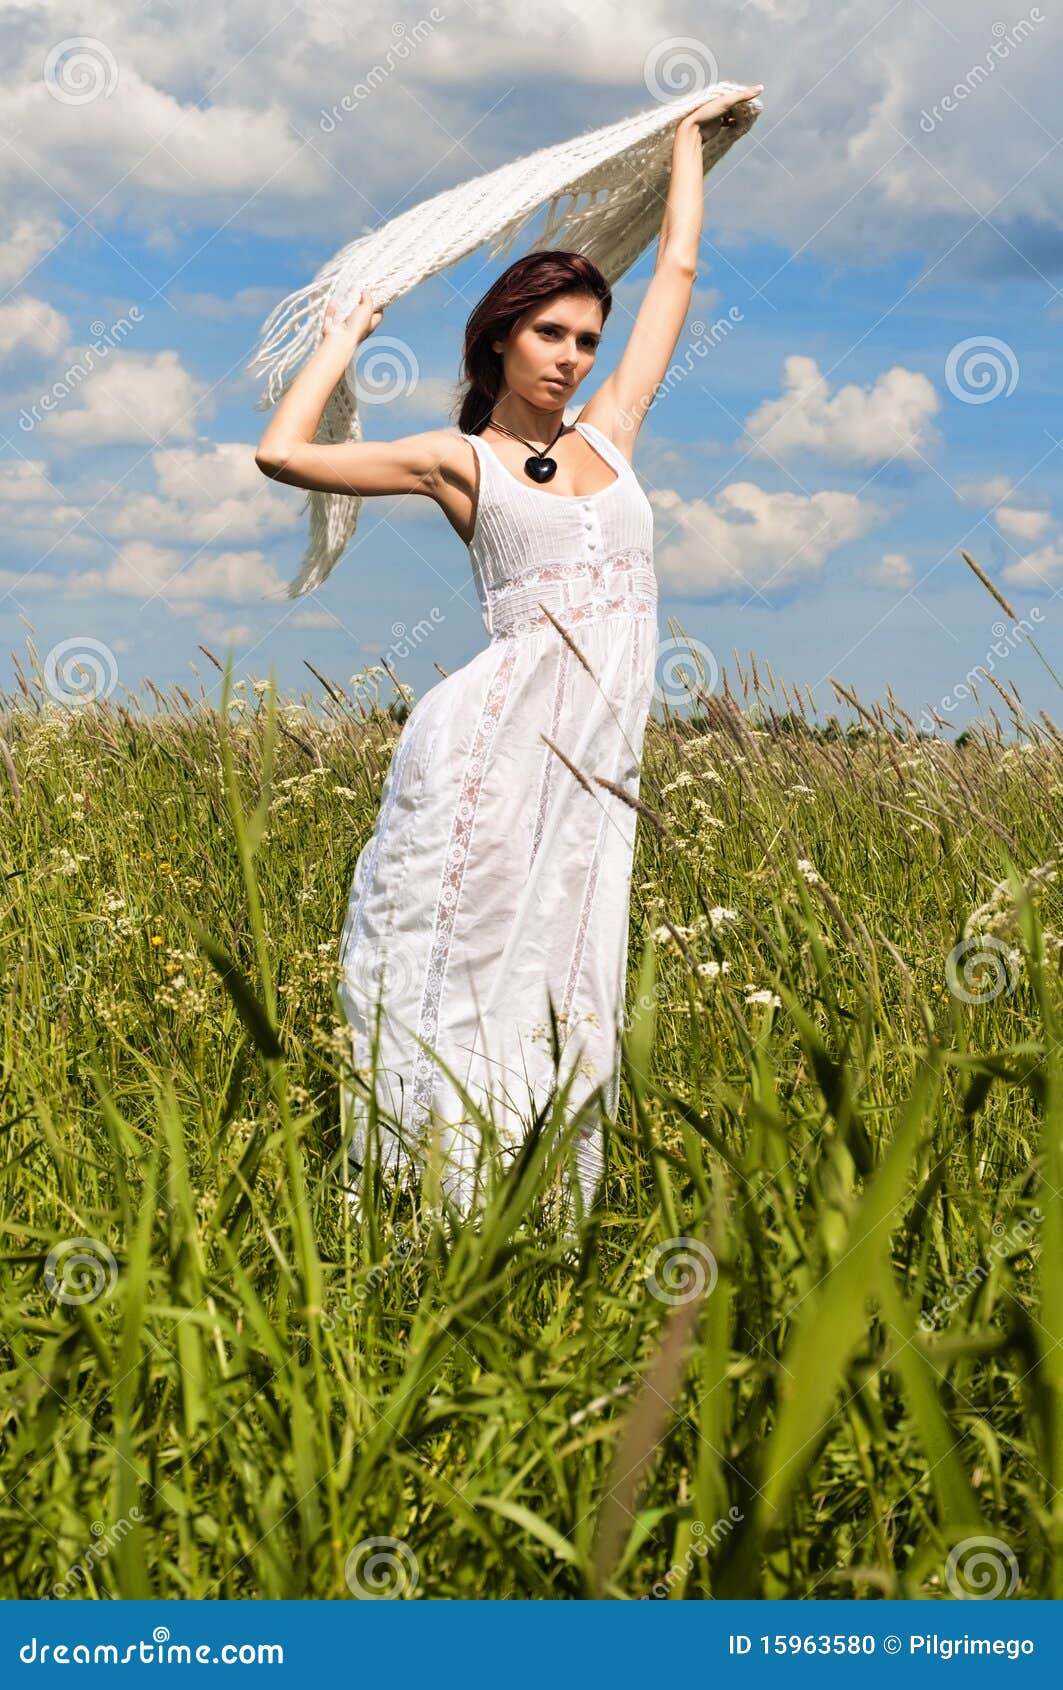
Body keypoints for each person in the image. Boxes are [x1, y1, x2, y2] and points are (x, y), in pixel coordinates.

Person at [255, 86, 764, 1222]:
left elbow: (676, 271)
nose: (575, 357)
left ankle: (543, 1213)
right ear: (500, 336)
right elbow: (282, 454)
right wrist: (342, 336)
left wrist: (686, 137)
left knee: (572, 966)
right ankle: (433, 1193)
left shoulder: (611, 435)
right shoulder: (456, 460)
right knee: (471, 959)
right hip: (490, 746)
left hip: (598, 761)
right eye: (552, 334)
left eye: (587, 338)